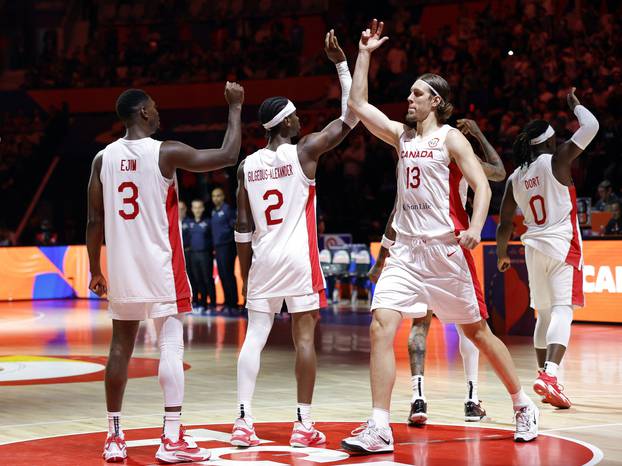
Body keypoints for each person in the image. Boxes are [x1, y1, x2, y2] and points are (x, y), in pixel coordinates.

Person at [342, 20, 539, 453]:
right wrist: (364, 54)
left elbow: (484, 185)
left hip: (446, 251)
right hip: (407, 253)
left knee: (479, 333)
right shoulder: (401, 135)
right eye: (409, 93)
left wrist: (473, 226)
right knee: (380, 326)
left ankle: (522, 403)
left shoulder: (450, 138)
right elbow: (357, 103)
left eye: (416, 94)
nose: (409, 99)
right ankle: (379, 425)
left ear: (436, 101)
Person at [87, 82, 244, 463]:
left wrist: (96, 269)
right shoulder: (165, 151)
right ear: (142, 112)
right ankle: (171, 438)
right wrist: (235, 108)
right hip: (160, 265)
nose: (158, 113)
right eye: (154, 108)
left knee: (119, 349)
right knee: (170, 345)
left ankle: (114, 436)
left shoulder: (101, 158)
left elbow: (94, 219)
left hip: (124, 269)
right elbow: (227, 154)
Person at [231, 30, 358, 448]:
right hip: (299, 261)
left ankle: (243, 421)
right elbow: (350, 117)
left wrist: (245, 276)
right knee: (305, 339)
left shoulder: (247, 165)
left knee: (255, 337)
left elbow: (242, 230)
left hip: (264, 260)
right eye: (297, 115)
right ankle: (303, 424)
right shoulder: (304, 152)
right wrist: (341, 65)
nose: (301, 119)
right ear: (285, 122)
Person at [369, 118, 506, 425]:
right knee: (469, 327)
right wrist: (480, 134)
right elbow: (498, 172)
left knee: (420, 325)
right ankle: (472, 399)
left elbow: (395, 212)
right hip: (446, 244)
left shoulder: (414, 155)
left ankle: (418, 398)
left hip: (415, 244)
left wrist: (381, 259)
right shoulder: (455, 157)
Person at [497, 87, 598, 409]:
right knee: (563, 310)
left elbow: (505, 223)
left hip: (532, 248)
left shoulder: (515, 176)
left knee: (543, 315)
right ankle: (551, 375)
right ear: (551, 142)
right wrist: (577, 106)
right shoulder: (557, 160)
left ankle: (544, 374)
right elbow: (592, 126)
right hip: (561, 245)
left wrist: (501, 253)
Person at [210, 187, 238, 311]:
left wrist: (230, 242)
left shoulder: (228, 210)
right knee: (222, 275)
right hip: (218, 247)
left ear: (223, 196)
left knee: (228, 274)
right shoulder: (213, 212)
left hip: (227, 246)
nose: (216, 198)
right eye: (214, 196)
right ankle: (227, 302)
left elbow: (234, 226)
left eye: (219, 195)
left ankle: (233, 303)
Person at [187, 199, 217, 313]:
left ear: (203, 209)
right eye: (195, 207)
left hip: (205, 254)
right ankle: (202, 304)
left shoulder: (208, 222)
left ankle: (213, 304)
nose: (197, 210)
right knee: (197, 279)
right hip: (193, 255)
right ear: (192, 209)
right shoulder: (190, 223)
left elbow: (213, 237)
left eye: (199, 207)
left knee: (207, 279)